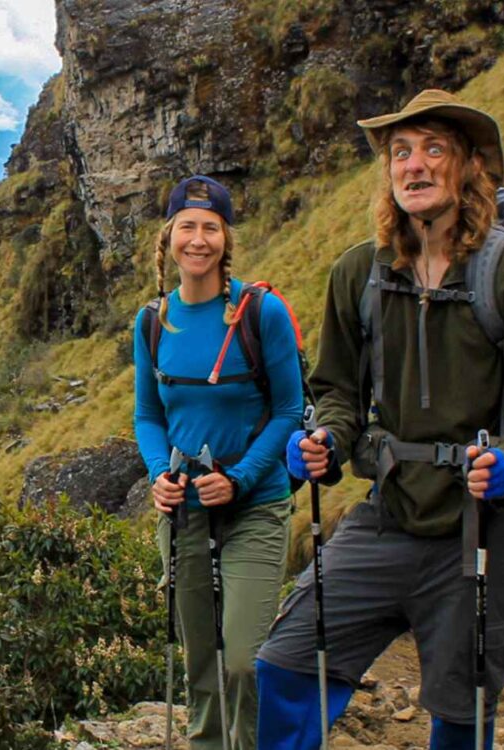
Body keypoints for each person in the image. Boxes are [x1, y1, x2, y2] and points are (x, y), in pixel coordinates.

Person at [255, 89, 504, 749]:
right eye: (401, 152)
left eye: (434, 149)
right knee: (286, 665)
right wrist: (325, 438)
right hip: (388, 514)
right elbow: (337, 388)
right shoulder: (359, 275)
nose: (414, 165)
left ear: (467, 169)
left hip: (478, 526)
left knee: (461, 713)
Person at [136, 175, 307, 749]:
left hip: (255, 506)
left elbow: (289, 409)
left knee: (242, 660)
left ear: (226, 239)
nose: (199, 239)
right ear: (169, 236)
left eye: (211, 227)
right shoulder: (152, 322)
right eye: (188, 226)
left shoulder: (263, 313)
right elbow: (147, 416)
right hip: (183, 511)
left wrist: (236, 479)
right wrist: (160, 473)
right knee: (199, 662)